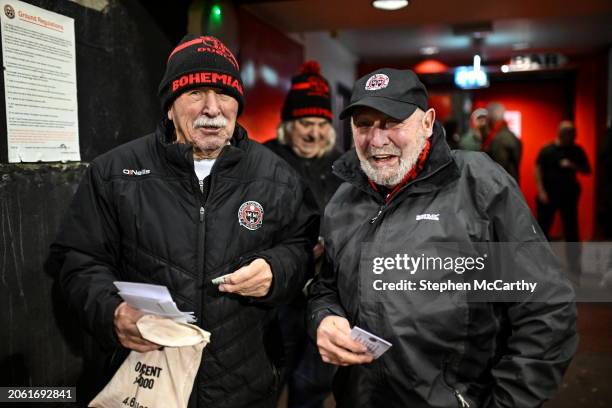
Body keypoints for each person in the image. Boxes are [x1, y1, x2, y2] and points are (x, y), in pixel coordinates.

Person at [47, 35, 319, 408]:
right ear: (170, 106)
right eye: (196, 94)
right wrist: (112, 312)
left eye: (224, 94)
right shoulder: (113, 172)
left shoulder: (278, 176)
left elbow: (302, 248)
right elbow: (77, 259)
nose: (213, 108)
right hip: (144, 380)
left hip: (244, 384)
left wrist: (277, 269)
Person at [307, 68, 578, 407]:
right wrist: (325, 316)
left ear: (427, 122)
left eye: (391, 122)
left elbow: (545, 309)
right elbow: (326, 286)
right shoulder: (344, 199)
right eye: (364, 124)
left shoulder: (478, 185)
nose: (376, 140)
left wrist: (508, 403)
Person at [265, 61, 342, 408]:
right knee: (268, 379)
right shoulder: (263, 160)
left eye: (321, 124)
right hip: (274, 298)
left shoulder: (344, 166)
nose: (313, 133)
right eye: (305, 124)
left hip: (324, 296)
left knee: (311, 385)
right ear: (288, 125)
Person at [535, 120, 591, 279]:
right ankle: (541, 266)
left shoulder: (576, 150)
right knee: (543, 230)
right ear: (561, 133)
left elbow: (587, 169)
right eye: (569, 134)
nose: (572, 137)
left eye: (574, 134)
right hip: (549, 194)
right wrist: (541, 191)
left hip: (569, 195)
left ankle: (574, 268)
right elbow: (537, 168)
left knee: (572, 231)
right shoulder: (548, 150)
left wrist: (572, 165)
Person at [483, 102, 522, 181]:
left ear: (491, 118)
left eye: (487, 117)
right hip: (511, 184)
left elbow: (499, 168)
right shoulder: (511, 136)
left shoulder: (498, 139)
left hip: (502, 186)